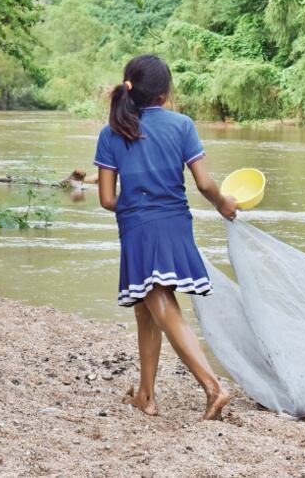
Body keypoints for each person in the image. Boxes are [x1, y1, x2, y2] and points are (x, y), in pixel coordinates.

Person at [94, 53, 237, 420]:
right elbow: (203, 183)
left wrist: (139, 200)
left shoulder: (111, 133)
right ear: (163, 94)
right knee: (146, 308)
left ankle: (213, 388)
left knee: (157, 302)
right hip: (176, 222)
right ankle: (146, 395)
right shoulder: (182, 125)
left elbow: (108, 199)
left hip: (138, 227)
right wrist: (224, 203)